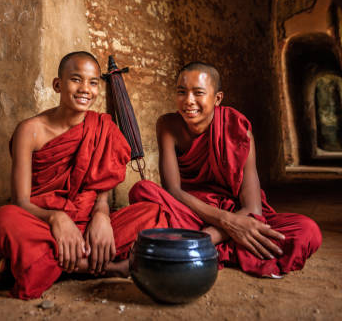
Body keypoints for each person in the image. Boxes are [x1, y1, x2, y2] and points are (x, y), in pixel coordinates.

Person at [0, 51, 167, 299]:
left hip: (88, 223)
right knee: (2, 220)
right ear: (58, 85)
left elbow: (101, 192)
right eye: (76, 79)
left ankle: (42, 263)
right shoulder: (29, 131)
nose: (85, 89)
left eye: (93, 82)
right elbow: (20, 202)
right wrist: (56, 219)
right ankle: (106, 267)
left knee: (154, 215)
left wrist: (102, 216)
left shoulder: (103, 127)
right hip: (44, 224)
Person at [129, 62, 322, 277]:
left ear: (217, 98)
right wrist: (227, 224)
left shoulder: (237, 129)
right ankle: (208, 247)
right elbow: (173, 190)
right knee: (143, 190)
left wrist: (213, 233)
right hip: (190, 211)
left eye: (198, 93)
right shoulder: (167, 125)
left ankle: (190, 248)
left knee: (307, 230)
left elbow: (253, 209)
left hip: (236, 213)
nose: (188, 101)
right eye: (181, 92)